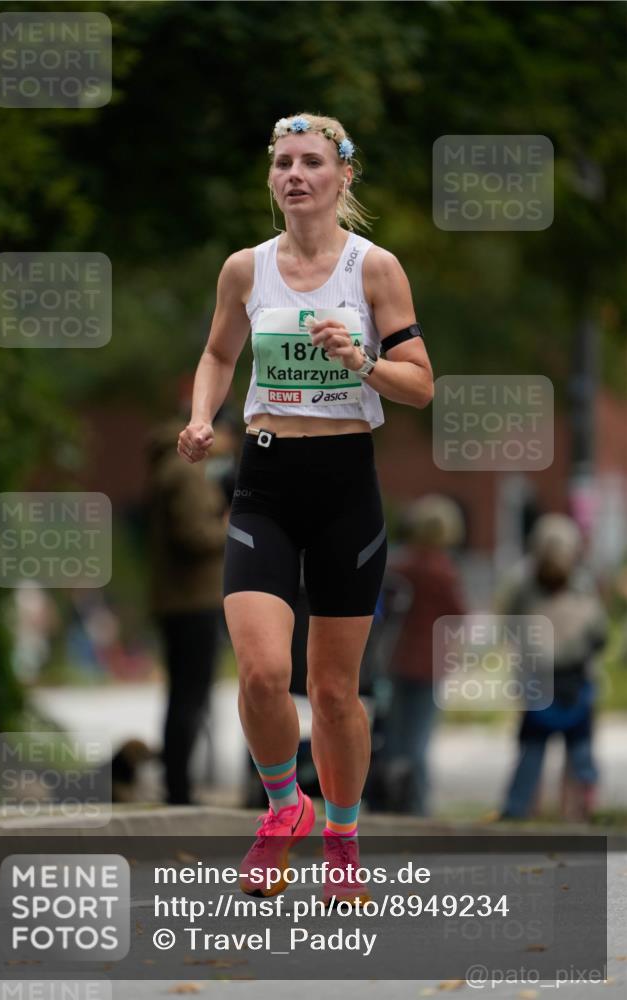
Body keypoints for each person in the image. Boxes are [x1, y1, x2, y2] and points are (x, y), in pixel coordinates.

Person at [177, 112, 434, 905]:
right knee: (260, 673)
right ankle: (285, 806)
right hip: (264, 480)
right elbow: (220, 352)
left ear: (341, 176)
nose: (294, 174)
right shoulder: (244, 269)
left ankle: (344, 842)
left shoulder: (375, 269)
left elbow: (420, 383)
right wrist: (200, 416)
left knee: (331, 693)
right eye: (282, 163)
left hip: (344, 488)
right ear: (271, 179)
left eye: (311, 162)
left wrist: (361, 359)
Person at [146, 411, 236, 805]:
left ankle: (177, 781)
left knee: (183, 694)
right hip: (192, 598)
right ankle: (179, 787)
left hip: (178, 597)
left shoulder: (170, 467)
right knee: (190, 696)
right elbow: (193, 534)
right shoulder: (184, 472)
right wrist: (230, 527)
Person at [499, 514, 608, 820]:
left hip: (537, 680)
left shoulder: (521, 583)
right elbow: (598, 634)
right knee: (580, 749)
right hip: (578, 681)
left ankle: (519, 808)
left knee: (532, 749)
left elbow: (510, 627)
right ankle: (578, 807)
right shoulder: (583, 584)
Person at [383, 494, 466, 815]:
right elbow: (459, 614)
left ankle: (387, 798)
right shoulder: (445, 573)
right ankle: (416, 805)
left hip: (397, 656)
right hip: (431, 662)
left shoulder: (399, 565)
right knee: (419, 738)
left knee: (394, 734)